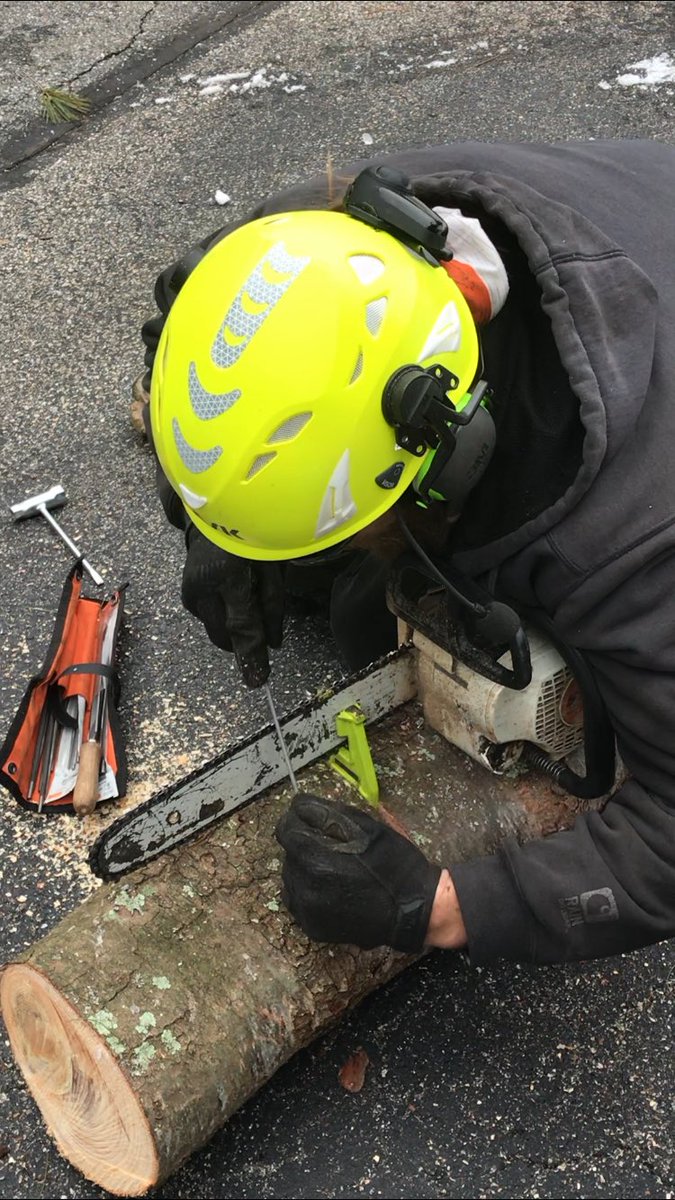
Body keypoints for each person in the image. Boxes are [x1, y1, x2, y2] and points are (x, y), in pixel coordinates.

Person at [137, 139, 675, 967]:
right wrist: (212, 521)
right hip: (636, 212)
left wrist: (436, 908)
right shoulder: (330, 248)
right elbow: (196, 308)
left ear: (450, 462)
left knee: (367, 617)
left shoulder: (630, 555)